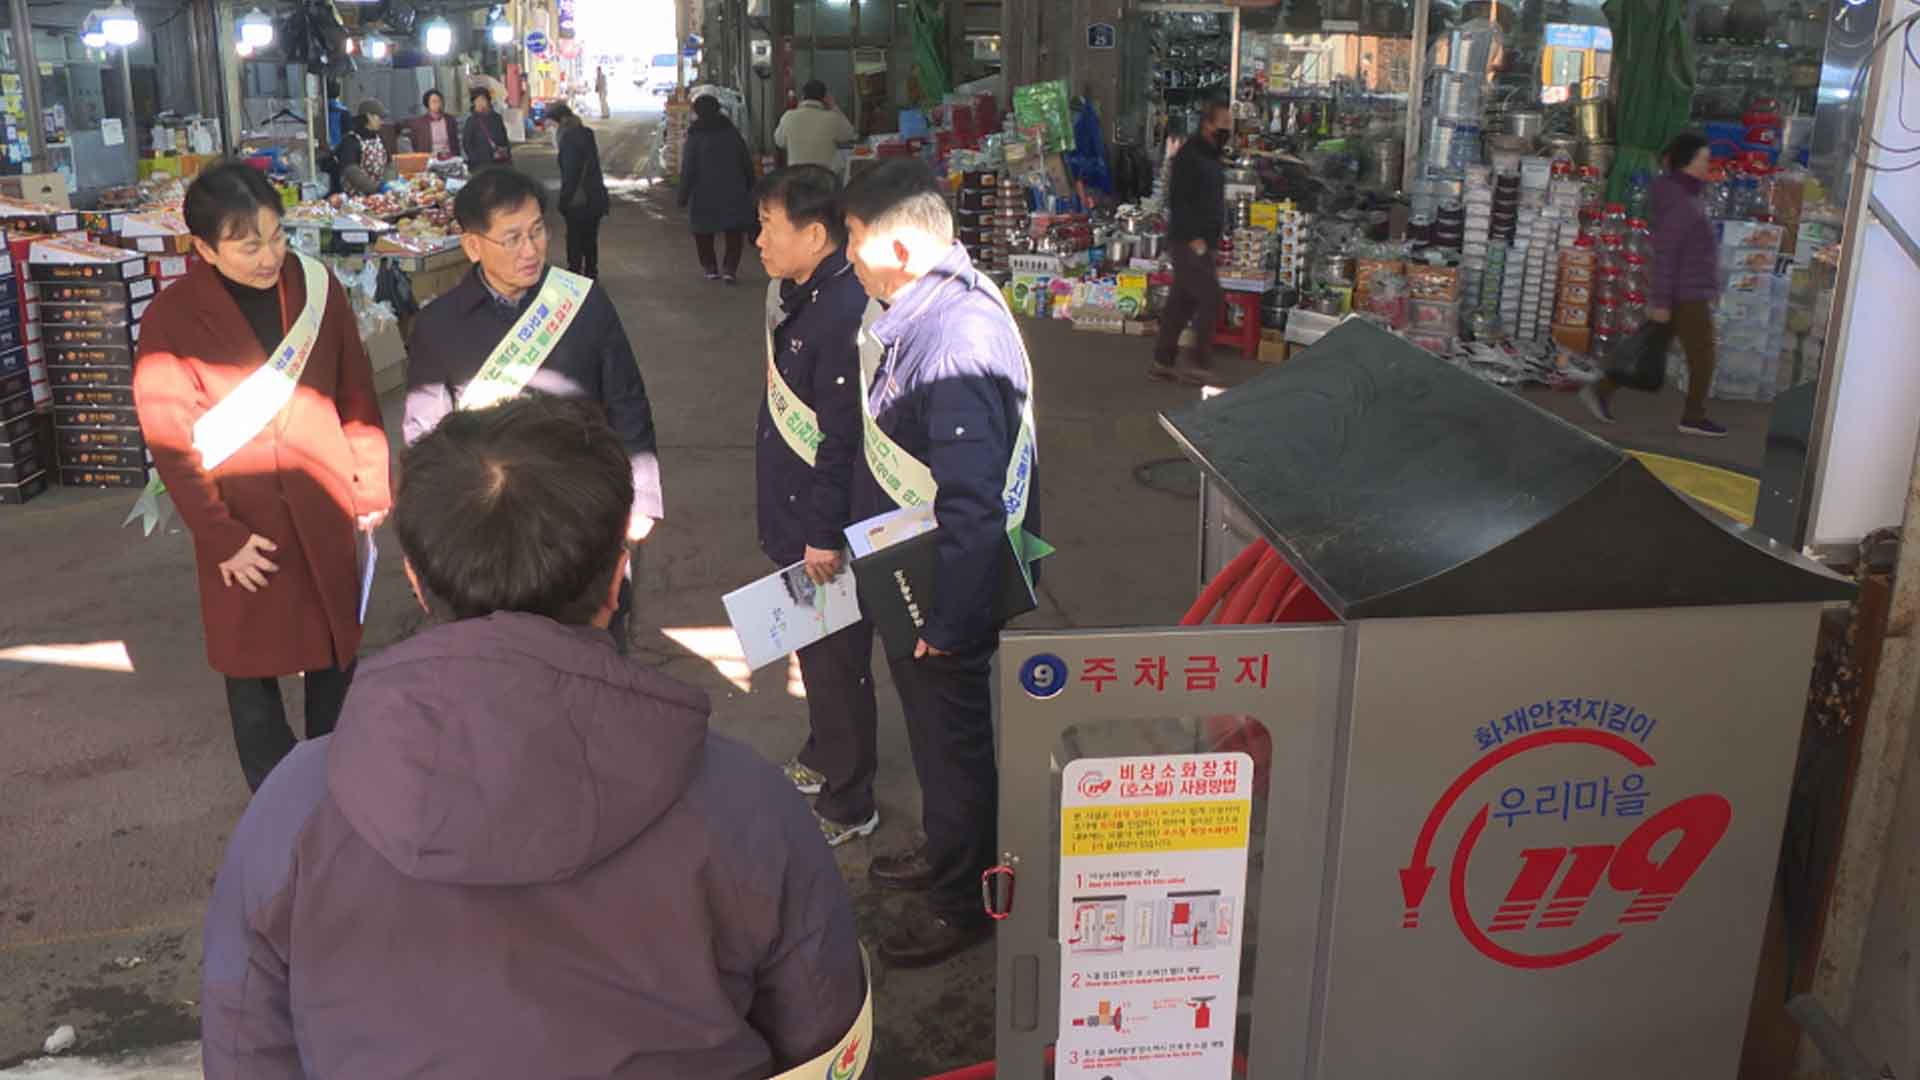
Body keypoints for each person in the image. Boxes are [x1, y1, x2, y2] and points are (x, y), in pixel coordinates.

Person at [199, 396, 871, 1080]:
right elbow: (827, 1043)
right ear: (617, 578)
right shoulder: (746, 807)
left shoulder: (294, 808)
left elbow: (245, 1049)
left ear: (416, 582)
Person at [840, 159, 1042, 967]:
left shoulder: (955, 339)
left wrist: (949, 625)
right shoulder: (933, 299)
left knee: (954, 747)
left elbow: (972, 503)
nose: (847, 257)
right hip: (917, 574)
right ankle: (946, 848)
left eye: (854, 242)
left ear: (897, 247)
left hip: (945, 594)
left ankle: (963, 903)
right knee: (933, 738)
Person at [132, 162, 390, 792]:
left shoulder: (317, 288)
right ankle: (275, 796)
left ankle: (339, 778)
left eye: (277, 236)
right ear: (204, 249)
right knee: (251, 667)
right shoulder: (173, 318)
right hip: (244, 521)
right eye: (248, 246)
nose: (270, 255)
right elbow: (172, 441)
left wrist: (371, 480)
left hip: (324, 497)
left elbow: (357, 390)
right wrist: (220, 536)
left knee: (336, 646)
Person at [403, 167, 662, 652]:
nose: (531, 249)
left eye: (538, 230)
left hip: (582, 515)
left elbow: (627, 400)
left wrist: (643, 498)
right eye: (513, 238)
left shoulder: (583, 304)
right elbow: (425, 434)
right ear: (473, 246)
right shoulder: (439, 325)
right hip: (489, 528)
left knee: (594, 656)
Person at [753, 166, 880, 847]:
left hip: (823, 525)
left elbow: (841, 439)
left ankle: (850, 800)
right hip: (798, 512)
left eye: (770, 229)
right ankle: (825, 752)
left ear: (816, 234)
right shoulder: (802, 293)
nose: (759, 242)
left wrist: (823, 534)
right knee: (817, 651)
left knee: (837, 660)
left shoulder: (840, 313)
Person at [1581, 131, 1727, 437]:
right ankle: (1693, 414)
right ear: (1686, 162)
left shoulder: (1684, 194)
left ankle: (1602, 389)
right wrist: (1660, 302)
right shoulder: (1679, 200)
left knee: (1650, 344)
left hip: (1687, 288)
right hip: (1684, 292)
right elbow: (1667, 253)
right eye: (1702, 159)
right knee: (1703, 355)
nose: (1706, 165)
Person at [1152, 98, 1231, 386]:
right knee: (1211, 297)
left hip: (1202, 241)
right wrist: (1196, 239)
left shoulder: (1211, 155)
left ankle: (1163, 360)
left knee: (1180, 303)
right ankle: (1197, 362)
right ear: (1208, 123)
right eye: (1223, 124)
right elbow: (1180, 201)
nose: (1227, 129)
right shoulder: (1189, 156)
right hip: (1188, 241)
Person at [679, 94, 756, 284]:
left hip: (703, 191)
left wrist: (683, 194)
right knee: (734, 231)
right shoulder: (731, 132)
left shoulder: (695, 135)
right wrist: (751, 185)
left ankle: (710, 268)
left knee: (703, 231)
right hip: (733, 188)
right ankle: (730, 269)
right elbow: (746, 161)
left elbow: (688, 167)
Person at [550, 102, 610, 279]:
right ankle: (592, 272)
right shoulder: (586, 133)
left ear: (560, 120)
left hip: (578, 199)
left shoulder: (567, 139)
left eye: (552, 123)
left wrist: (564, 201)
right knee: (590, 237)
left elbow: (571, 174)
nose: (550, 128)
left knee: (575, 238)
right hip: (595, 195)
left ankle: (575, 274)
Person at [775, 79, 858, 173]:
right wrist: (834, 106)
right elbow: (850, 134)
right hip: (824, 178)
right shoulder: (833, 118)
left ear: (802, 97)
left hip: (796, 177)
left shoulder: (788, 116)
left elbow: (779, 142)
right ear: (825, 98)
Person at [333, 100, 393, 196]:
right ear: (369, 116)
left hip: (380, 196)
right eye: (380, 117)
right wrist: (376, 188)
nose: (382, 121)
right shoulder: (351, 141)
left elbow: (390, 164)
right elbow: (352, 171)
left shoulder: (380, 138)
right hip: (355, 198)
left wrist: (389, 183)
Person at [462, 87, 513, 171]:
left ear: (488, 101)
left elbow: (504, 139)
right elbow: (467, 144)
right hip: (480, 165)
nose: (480, 103)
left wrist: (508, 158)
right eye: (476, 100)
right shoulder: (471, 121)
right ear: (473, 103)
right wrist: (475, 160)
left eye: (482, 99)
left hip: (499, 162)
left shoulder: (496, 118)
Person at [407, 88, 460, 160]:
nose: (437, 104)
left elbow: (455, 142)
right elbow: (415, 144)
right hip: (430, 160)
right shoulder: (419, 123)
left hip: (449, 158)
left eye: (439, 101)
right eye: (434, 101)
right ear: (427, 104)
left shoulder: (450, 120)